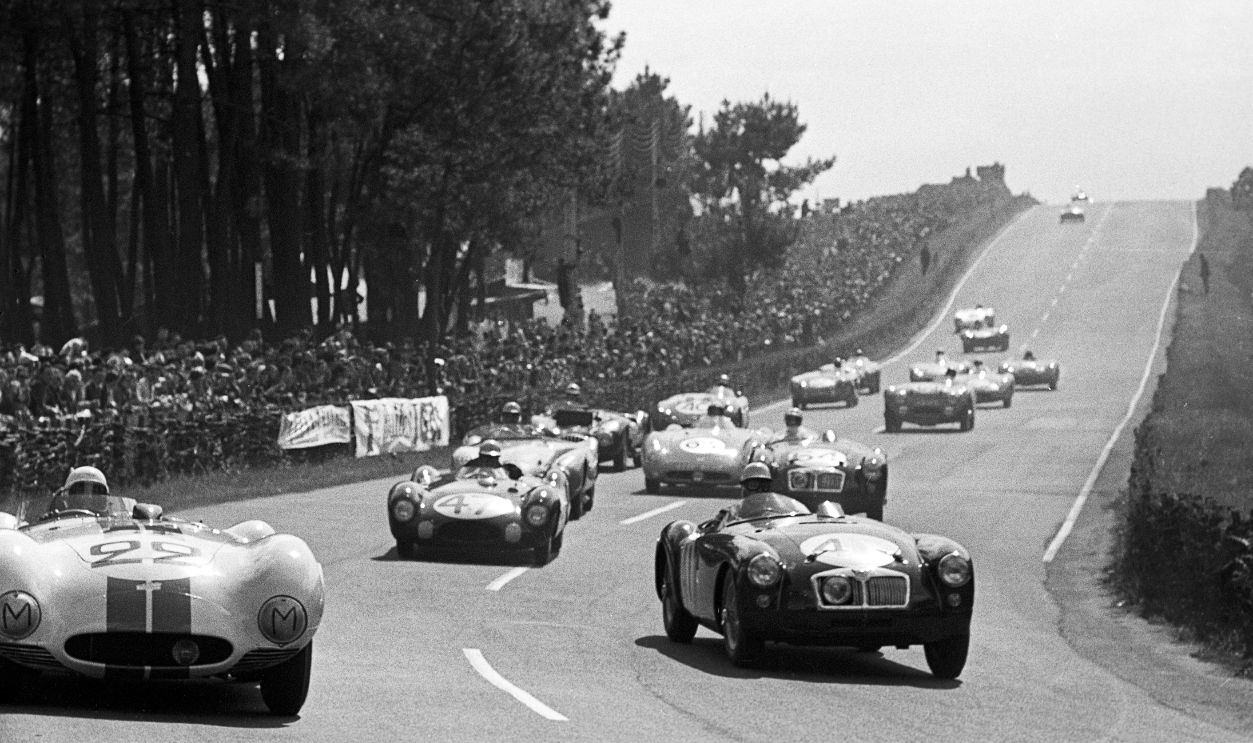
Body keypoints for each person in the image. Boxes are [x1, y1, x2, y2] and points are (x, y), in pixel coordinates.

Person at [46, 465, 112, 517]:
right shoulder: (55, 523)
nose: (88, 497)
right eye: (80, 491)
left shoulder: (112, 525)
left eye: (96, 492)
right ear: (65, 495)